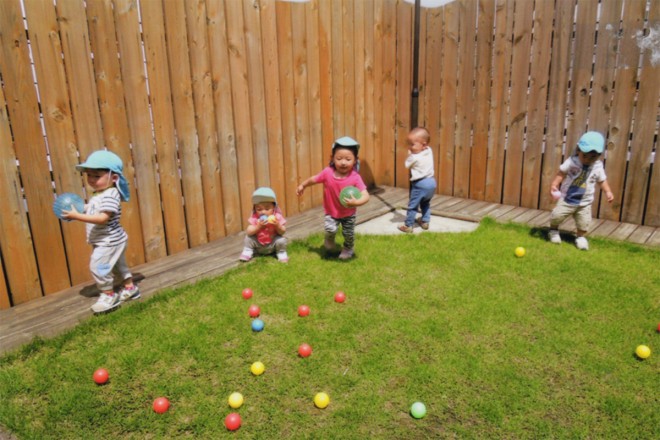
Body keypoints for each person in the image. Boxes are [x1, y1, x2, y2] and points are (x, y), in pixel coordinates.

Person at [63, 150, 140, 314]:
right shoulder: (100, 193)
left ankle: (108, 295)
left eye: (96, 176)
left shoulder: (111, 195)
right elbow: (93, 209)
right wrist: (80, 209)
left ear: (114, 178)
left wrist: (77, 216)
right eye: (89, 175)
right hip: (112, 239)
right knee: (119, 266)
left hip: (109, 241)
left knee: (98, 267)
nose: (91, 179)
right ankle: (130, 288)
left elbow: (102, 218)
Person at [296, 136, 370, 260]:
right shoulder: (327, 173)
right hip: (331, 212)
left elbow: (366, 195)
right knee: (330, 230)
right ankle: (329, 241)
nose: (343, 162)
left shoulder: (355, 177)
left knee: (348, 234)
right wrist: (303, 185)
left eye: (348, 159)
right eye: (339, 158)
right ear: (332, 158)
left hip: (348, 213)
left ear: (355, 160)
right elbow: (314, 179)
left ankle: (348, 248)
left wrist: (357, 202)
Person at [548, 131, 614, 250]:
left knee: (584, 222)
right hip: (567, 198)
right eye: (585, 156)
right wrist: (554, 184)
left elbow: (602, 181)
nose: (588, 159)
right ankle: (553, 230)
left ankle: (580, 237)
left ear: (599, 155)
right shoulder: (572, 161)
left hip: (585, 202)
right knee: (557, 216)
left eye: (593, 157)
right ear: (578, 150)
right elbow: (561, 173)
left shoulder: (597, 166)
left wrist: (608, 191)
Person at [398, 127, 437, 233]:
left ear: (423, 145)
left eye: (412, 144)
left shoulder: (414, 157)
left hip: (420, 184)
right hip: (431, 182)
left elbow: (407, 165)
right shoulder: (429, 151)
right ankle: (425, 221)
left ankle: (408, 225)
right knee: (425, 203)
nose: (409, 147)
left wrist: (409, 155)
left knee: (413, 205)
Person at [239, 187, 288, 263]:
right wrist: (258, 227)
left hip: (272, 244)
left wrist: (277, 226)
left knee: (281, 239)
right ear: (255, 209)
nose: (263, 212)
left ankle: (281, 252)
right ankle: (248, 251)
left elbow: (283, 231)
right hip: (258, 245)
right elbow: (249, 231)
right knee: (248, 238)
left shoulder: (277, 217)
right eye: (259, 209)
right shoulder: (255, 218)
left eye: (267, 209)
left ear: (274, 208)